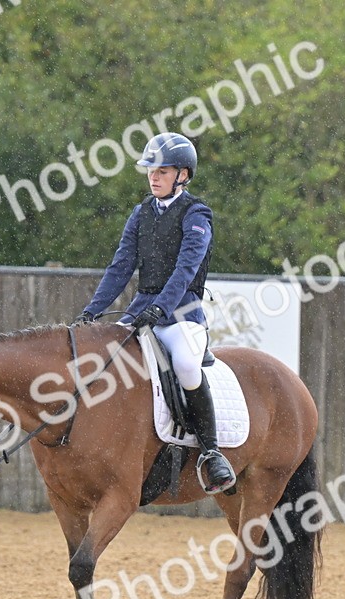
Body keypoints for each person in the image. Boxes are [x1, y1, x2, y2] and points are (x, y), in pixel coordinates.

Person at [73, 132, 236, 495]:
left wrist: (161, 306)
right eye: (151, 170)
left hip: (182, 315)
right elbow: (121, 266)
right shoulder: (141, 212)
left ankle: (211, 452)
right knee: (106, 362)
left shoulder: (196, 214)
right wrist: (92, 311)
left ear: (183, 175)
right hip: (141, 311)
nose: (154, 177)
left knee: (186, 366)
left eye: (162, 171)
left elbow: (186, 268)